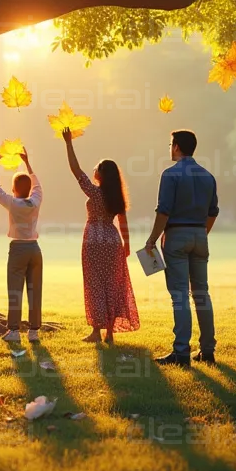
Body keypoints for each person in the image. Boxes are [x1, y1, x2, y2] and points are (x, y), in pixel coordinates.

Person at [144, 129, 218, 367]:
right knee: (201, 294)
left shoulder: (170, 174)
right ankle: (207, 350)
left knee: (179, 296)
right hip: (199, 235)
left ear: (176, 147)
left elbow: (163, 210)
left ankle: (181, 352)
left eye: (170, 144)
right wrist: (201, 233)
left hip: (176, 236)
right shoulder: (208, 176)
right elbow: (213, 212)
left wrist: (152, 239)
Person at [62, 127, 139, 345]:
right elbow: (122, 221)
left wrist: (68, 143)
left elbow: (76, 170)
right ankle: (110, 334)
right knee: (113, 284)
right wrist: (126, 244)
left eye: (96, 168)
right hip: (112, 239)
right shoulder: (116, 196)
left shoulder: (94, 192)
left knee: (95, 283)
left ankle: (97, 331)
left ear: (100, 175)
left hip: (94, 239)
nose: (93, 170)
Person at [0, 147, 43, 344]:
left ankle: (13, 330)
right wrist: (28, 163)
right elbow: (37, 185)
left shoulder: (12, 203)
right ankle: (34, 331)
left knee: (15, 290)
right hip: (35, 249)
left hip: (18, 249)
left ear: (13, 189)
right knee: (35, 290)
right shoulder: (36, 200)